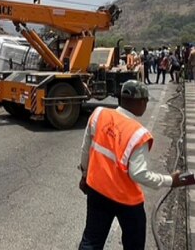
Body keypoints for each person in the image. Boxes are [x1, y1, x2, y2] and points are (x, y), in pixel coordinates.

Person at [78, 80, 191, 249]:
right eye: (145, 101)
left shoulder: (99, 114)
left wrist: (84, 175)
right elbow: (138, 174)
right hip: (126, 200)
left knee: (91, 241)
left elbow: (86, 149)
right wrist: (170, 180)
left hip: (97, 190)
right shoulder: (138, 134)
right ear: (140, 102)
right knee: (134, 244)